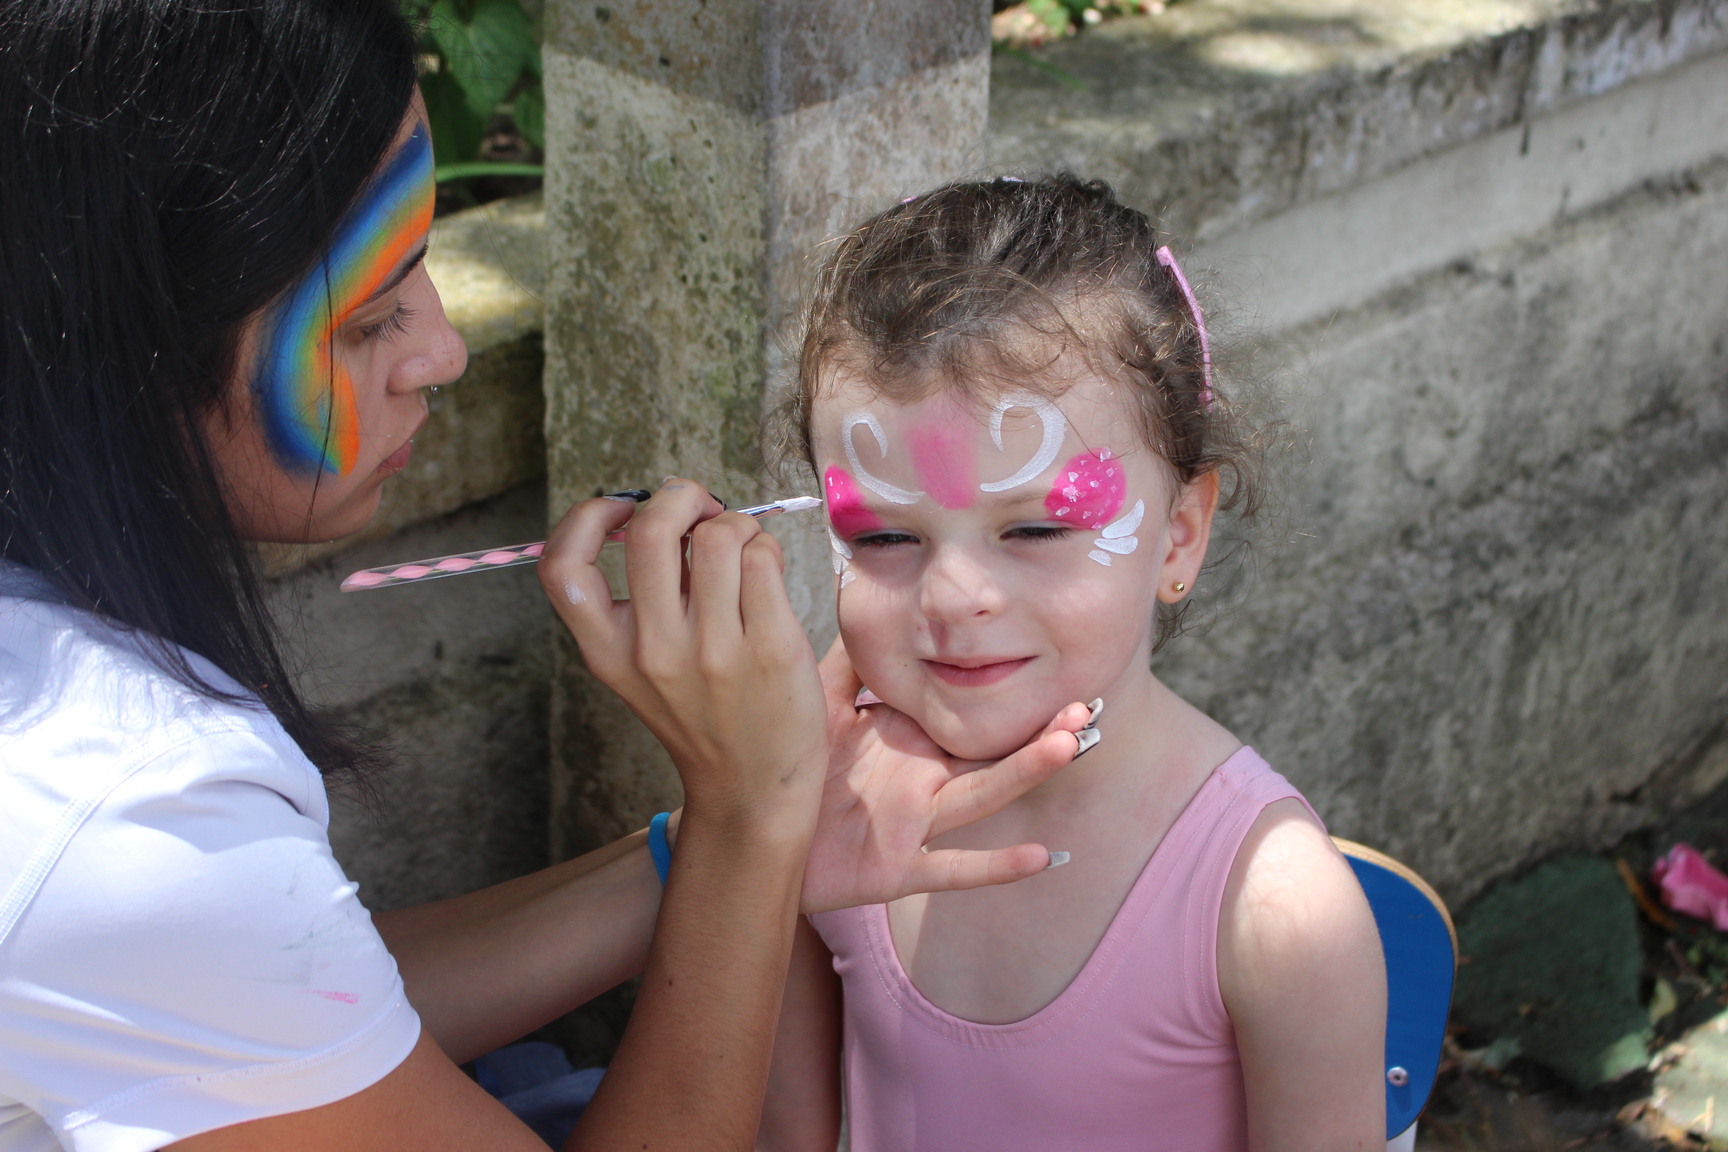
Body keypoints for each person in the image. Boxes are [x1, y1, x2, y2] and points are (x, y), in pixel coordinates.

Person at [0, 5, 1094, 1150]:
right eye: (371, 316)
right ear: (122, 347)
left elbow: (276, 1015)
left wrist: (698, 855)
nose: (442, 352)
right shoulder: (120, 817)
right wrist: (751, 813)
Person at [758, 175, 1389, 1152]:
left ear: (1179, 535)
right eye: (883, 537)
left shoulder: (1276, 914)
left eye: (1040, 526)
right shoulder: (835, 811)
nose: (954, 595)